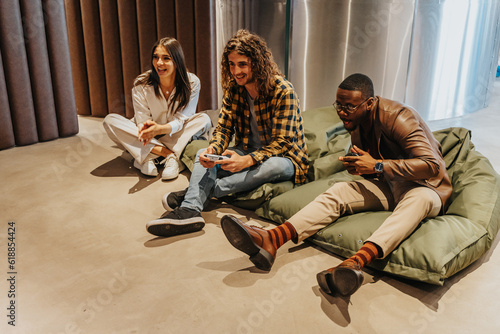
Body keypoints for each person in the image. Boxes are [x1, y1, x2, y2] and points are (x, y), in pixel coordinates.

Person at [220, 73, 452, 297]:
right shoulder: (357, 125)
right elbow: (374, 165)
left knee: (418, 200)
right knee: (341, 189)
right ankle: (272, 239)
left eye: (349, 106)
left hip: (426, 187)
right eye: (338, 105)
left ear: (369, 103)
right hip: (391, 185)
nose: (341, 112)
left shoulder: (399, 116)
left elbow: (431, 165)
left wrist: (377, 166)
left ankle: (354, 264)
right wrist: (361, 168)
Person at [145, 29, 309, 237]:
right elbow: (223, 127)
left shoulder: (283, 91)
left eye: (242, 64)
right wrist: (214, 148)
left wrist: (248, 160)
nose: (235, 71)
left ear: (257, 63)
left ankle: (194, 195)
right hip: (246, 148)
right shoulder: (234, 89)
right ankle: (190, 212)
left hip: (285, 158)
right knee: (202, 155)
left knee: (272, 166)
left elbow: (282, 143)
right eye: (231, 64)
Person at [103, 37, 211, 180]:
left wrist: (160, 129)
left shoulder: (192, 82)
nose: (159, 63)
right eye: (156, 57)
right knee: (110, 121)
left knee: (204, 119)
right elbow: (142, 121)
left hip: (175, 132)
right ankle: (169, 155)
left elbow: (182, 119)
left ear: (177, 61)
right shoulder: (141, 83)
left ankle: (145, 154)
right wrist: (150, 132)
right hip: (149, 134)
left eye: (166, 58)